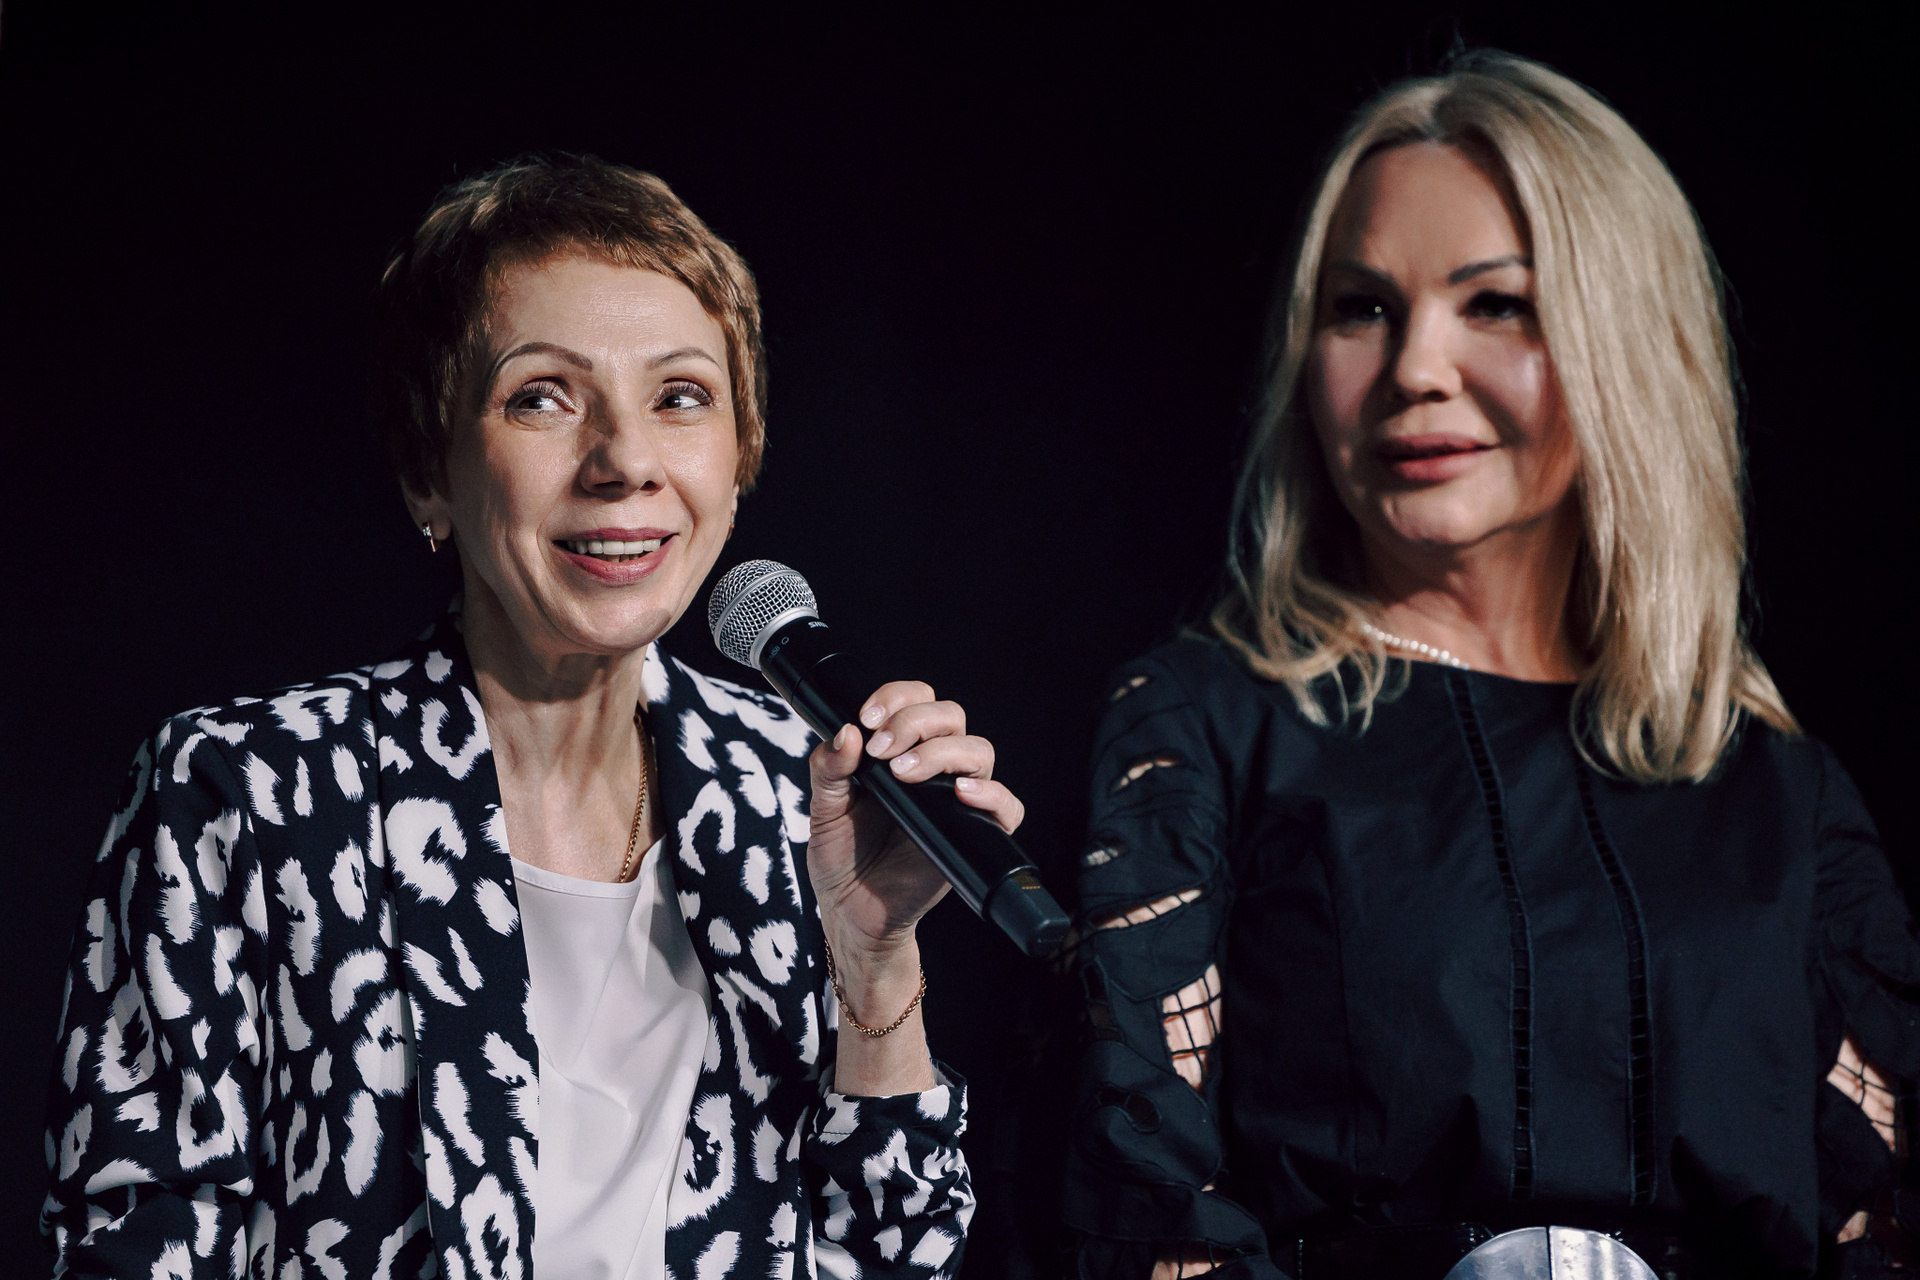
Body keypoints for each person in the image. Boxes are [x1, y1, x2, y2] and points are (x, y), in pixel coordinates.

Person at [42, 155, 1016, 1279]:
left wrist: (876, 957)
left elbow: (898, 1255)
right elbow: (137, 1244)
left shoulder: (793, 786)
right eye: (543, 396)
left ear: (740, 454)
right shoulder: (245, 792)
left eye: (680, 396)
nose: (626, 462)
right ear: (429, 469)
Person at [1063, 50, 1916, 1280]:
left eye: (1496, 303)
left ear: (1628, 339)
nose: (1416, 366)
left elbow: (1879, 1226)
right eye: (1362, 307)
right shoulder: (1205, 725)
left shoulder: (1782, 789)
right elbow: (1141, 1194)